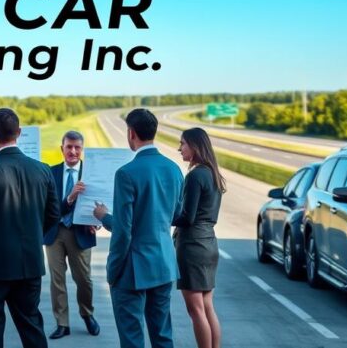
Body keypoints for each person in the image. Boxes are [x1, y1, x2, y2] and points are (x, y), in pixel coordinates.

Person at [0, 108, 60, 348]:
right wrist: (34, 237)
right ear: (19, 132)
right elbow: (53, 214)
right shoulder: (43, 170)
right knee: (32, 328)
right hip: (29, 263)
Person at [93, 108, 183, 348]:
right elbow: (176, 215)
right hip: (164, 264)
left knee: (132, 338)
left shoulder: (126, 173)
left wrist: (112, 270)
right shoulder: (174, 169)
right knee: (163, 336)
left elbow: (124, 230)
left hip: (133, 269)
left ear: (131, 133)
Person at [43, 130, 100, 339]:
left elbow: (102, 202)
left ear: (82, 149)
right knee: (57, 280)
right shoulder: (51, 172)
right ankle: (62, 323)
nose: (73, 151)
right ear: (62, 148)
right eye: (69, 147)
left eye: (77, 147)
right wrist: (70, 197)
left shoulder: (91, 173)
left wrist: (97, 222)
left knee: (84, 279)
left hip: (81, 232)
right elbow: (48, 208)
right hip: (55, 232)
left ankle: (87, 313)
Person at [173, 128, 225, 348]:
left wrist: (163, 214)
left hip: (192, 246)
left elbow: (187, 218)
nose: (179, 148)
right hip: (209, 243)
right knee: (207, 306)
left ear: (194, 146)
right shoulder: (212, 173)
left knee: (195, 309)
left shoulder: (195, 176)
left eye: (182, 144)